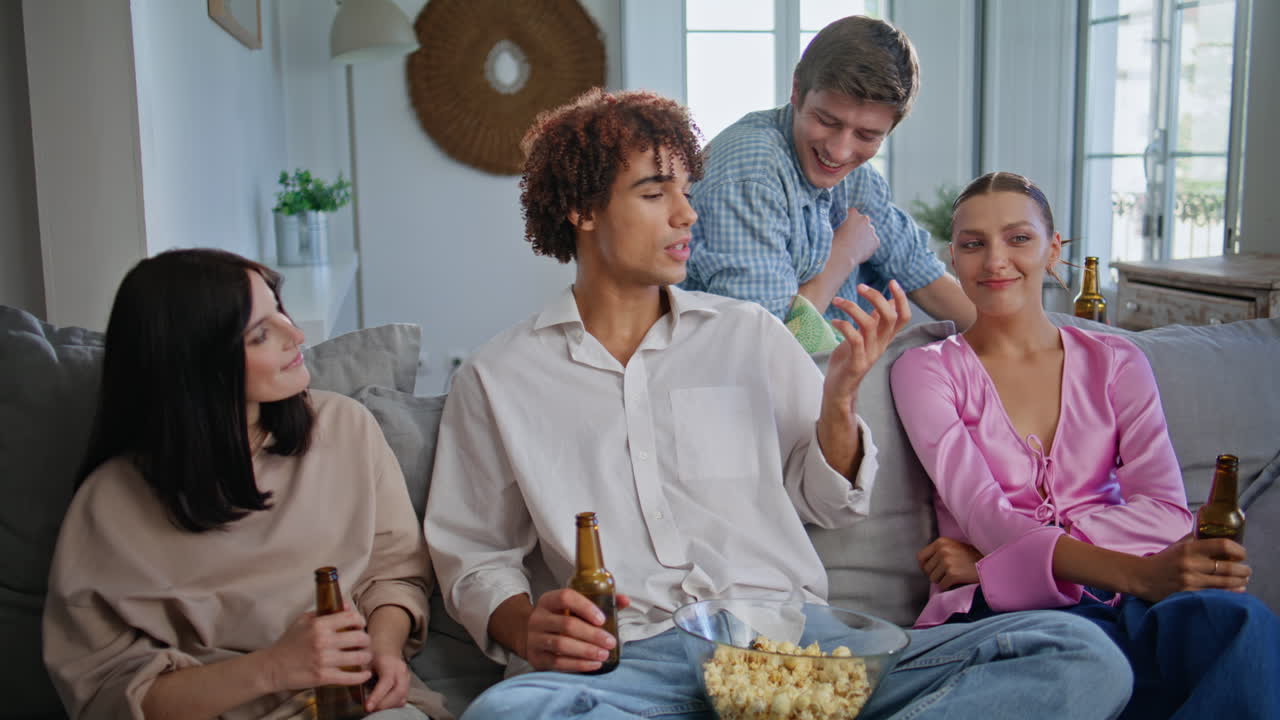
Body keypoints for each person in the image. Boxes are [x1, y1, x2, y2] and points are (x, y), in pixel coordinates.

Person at [424, 88, 1132, 720]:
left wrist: (839, 401)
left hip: (796, 653)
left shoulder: (749, 333)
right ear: (582, 211)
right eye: (653, 193)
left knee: (1076, 653)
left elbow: (824, 501)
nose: (685, 213)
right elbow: (476, 557)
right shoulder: (500, 377)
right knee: (512, 712)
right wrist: (524, 626)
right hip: (632, 668)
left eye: (686, 190)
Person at [890, 171, 1280, 719]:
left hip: (1122, 601)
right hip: (1004, 611)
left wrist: (994, 562)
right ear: (953, 258)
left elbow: (1168, 514)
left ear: (1053, 250)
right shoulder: (926, 372)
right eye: (973, 244)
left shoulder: (1117, 362)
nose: (995, 260)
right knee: (1099, 668)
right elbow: (988, 519)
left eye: (1018, 238)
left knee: (1241, 625)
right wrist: (1137, 572)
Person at [42, 249, 449, 720]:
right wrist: (274, 669)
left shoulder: (344, 427)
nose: (295, 335)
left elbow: (394, 574)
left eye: (279, 308)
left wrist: (385, 651)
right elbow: (109, 696)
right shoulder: (111, 505)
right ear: (195, 364)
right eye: (261, 333)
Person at [681, 15, 975, 353]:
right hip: (748, 390)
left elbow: (919, 272)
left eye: (867, 135)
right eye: (826, 120)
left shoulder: (858, 179)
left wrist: (1018, 340)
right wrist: (843, 255)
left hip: (835, 380)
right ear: (796, 90)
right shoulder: (752, 174)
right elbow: (765, 348)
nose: (839, 150)